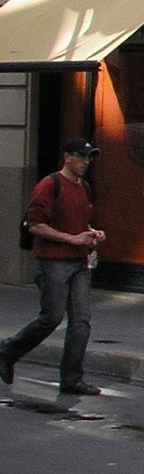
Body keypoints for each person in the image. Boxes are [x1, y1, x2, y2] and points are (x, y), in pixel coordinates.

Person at [1, 138, 106, 397]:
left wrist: (92, 233)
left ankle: (72, 379)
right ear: (67, 157)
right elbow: (35, 225)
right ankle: (7, 352)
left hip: (79, 262)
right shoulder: (50, 185)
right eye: (81, 157)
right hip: (53, 262)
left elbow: (78, 222)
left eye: (89, 157)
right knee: (51, 318)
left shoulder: (84, 187)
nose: (85, 162)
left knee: (81, 321)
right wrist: (72, 239)